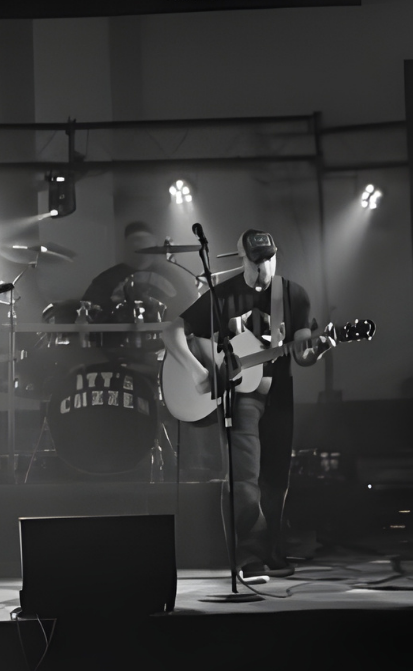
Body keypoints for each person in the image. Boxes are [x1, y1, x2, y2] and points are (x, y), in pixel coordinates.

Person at [163, 229, 335, 578]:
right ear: (242, 258)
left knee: (276, 478)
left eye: (269, 258)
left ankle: (272, 548)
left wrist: (321, 348)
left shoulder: (292, 295)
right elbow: (171, 330)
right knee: (244, 478)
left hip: (279, 394)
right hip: (241, 398)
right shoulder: (222, 295)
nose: (264, 267)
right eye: (256, 261)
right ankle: (249, 557)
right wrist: (198, 372)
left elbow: (301, 354)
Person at [81, 221, 190, 316]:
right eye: (136, 240)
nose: (141, 244)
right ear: (127, 244)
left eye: (145, 240)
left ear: (155, 242)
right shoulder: (107, 279)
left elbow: (190, 306)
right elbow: (88, 309)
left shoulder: (172, 276)